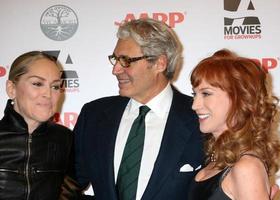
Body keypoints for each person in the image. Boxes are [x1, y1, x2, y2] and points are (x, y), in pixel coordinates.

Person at [73, 18, 206, 200]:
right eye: (115, 59)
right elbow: (69, 185)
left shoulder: (200, 118)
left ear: (160, 63)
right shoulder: (94, 115)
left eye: (126, 60)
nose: (116, 70)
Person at [188, 49, 280, 200]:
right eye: (195, 94)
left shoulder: (247, 167)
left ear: (239, 98)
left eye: (206, 93)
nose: (195, 105)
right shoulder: (215, 160)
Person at [0, 51, 79, 199]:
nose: (48, 94)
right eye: (37, 84)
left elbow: (71, 192)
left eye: (55, 87)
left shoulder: (65, 139)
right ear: (12, 89)